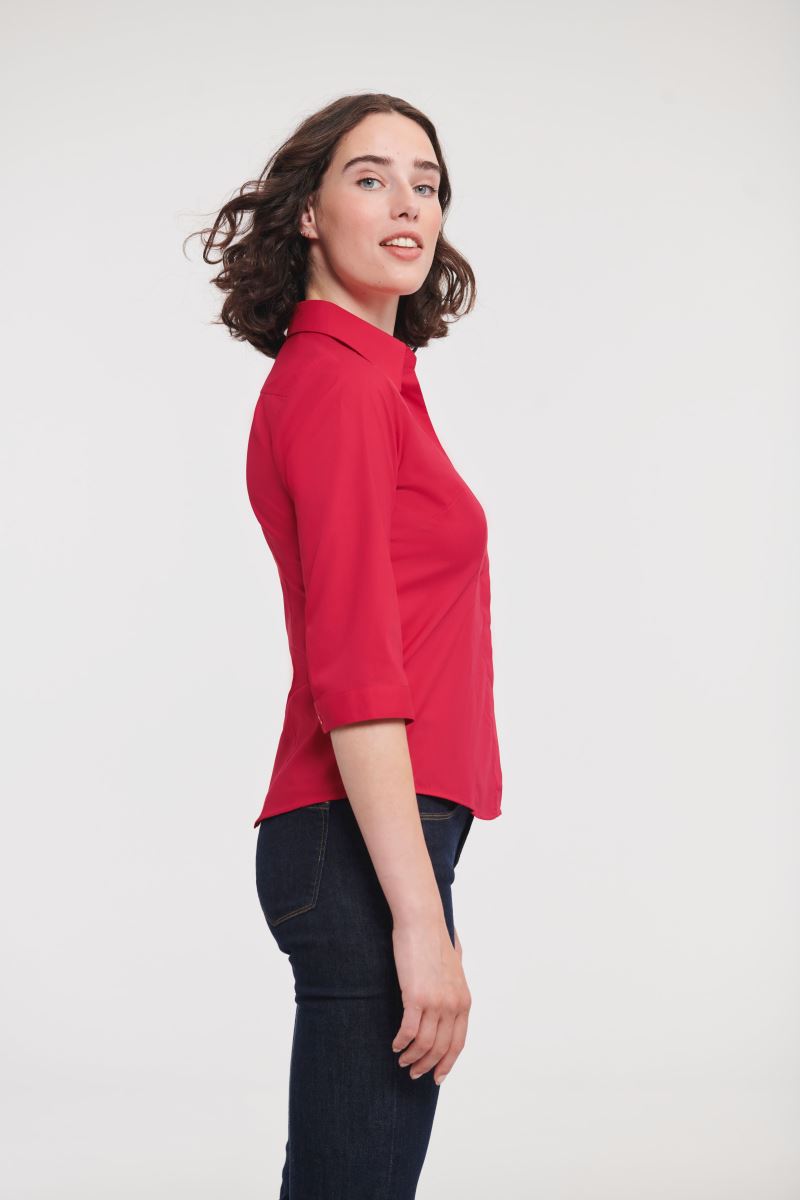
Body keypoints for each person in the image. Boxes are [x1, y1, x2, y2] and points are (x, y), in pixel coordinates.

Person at [193, 92, 503, 1198]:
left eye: (426, 183)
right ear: (309, 214)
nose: (408, 202)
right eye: (370, 178)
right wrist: (418, 922)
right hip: (364, 840)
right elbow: (356, 670)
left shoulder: (369, 380)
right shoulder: (334, 384)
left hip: (368, 835)